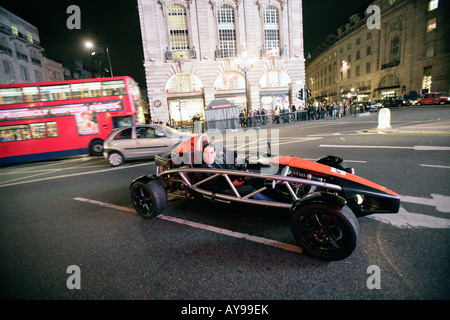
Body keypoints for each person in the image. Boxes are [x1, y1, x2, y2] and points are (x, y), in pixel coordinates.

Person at [201, 144, 273, 201]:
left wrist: (241, 177)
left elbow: (228, 173)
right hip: (224, 189)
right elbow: (214, 187)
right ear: (203, 154)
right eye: (206, 152)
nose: (209, 155)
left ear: (214, 153)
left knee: (257, 181)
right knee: (250, 189)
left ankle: (279, 197)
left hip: (230, 183)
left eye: (211, 152)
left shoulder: (217, 163)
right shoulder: (204, 169)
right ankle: (271, 203)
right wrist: (232, 184)